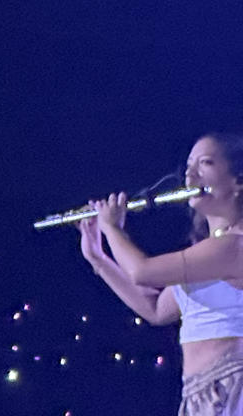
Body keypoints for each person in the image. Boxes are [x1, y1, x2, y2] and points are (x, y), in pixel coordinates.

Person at [81, 133, 243, 415]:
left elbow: (143, 271)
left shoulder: (235, 246)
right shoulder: (206, 252)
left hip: (232, 385)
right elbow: (155, 308)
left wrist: (113, 229)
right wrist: (98, 257)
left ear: (237, 181)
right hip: (198, 393)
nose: (191, 175)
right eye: (189, 165)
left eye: (205, 163)